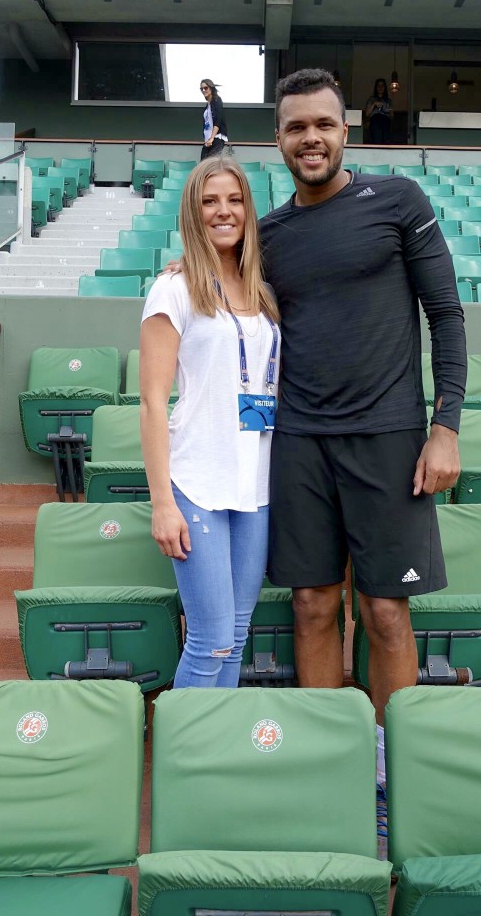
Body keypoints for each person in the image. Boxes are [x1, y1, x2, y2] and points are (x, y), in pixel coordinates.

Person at [260, 68, 466, 789]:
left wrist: (446, 427)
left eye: (322, 124)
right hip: (300, 441)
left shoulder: (398, 202)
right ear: (278, 140)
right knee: (313, 603)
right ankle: (328, 768)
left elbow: (446, 314)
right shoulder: (269, 234)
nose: (310, 138)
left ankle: (397, 769)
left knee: (384, 611)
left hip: (389, 438)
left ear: (345, 130)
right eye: (296, 127)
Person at [139, 156, 280, 688]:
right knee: (211, 639)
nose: (224, 211)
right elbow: (152, 402)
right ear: (192, 214)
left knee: (237, 636)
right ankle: (186, 763)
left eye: (235, 199)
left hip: (255, 486)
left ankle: (212, 756)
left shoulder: (264, 293)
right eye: (209, 201)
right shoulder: (172, 289)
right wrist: (162, 504)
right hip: (197, 481)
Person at [199, 79, 229, 160]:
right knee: (203, 164)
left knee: (212, 164)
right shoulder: (207, 105)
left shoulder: (217, 101)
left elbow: (218, 121)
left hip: (216, 138)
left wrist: (212, 137)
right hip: (208, 140)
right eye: (201, 89)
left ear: (211, 88)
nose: (203, 90)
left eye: (206, 88)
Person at [364, 77, 394, 144]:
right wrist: (374, 104)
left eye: (382, 86)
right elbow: (367, 113)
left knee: (385, 141)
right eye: (378, 86)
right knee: (376, 140)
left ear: (385, 87)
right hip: (375, 122)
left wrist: (389, 111)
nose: (380, 88)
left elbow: (392, 117)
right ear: (376, 87)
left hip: (385, 122)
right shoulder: (371, 99)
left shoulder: (388, 101)